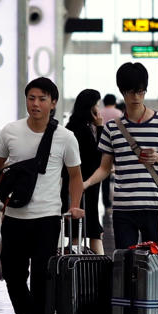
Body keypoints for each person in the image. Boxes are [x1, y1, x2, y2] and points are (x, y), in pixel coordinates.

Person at [0, 77, 83, 314]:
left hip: (47, 218)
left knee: (40, 277)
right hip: (13, 216)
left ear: (53, 103)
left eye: (42, 99)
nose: (35, 104)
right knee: (12, 275)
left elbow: (75, 176)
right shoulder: (11, 132)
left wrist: (74, 205)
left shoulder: (65, 138)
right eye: (31, 98)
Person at [83, 62, 158, 249]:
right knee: (124, 265)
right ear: (122, 91)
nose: (136, 97)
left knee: (157, 265)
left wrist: (157, 157)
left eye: (140, 91)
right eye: (130, 92)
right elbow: (105, 167)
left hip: (156, 206)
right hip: (123, 208)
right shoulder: (112, 128)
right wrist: (86, 183)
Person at [65, 88, 105, 254]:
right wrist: (101, 127)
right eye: (97, 104)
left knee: (80, 228)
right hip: (85, 183)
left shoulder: (74, 126)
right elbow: (98, 156)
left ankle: (76, 268)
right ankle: (99, 271)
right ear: (90, 107)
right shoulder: (82, 128)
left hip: (83, 182)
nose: (99, 108)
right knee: (91, 228)